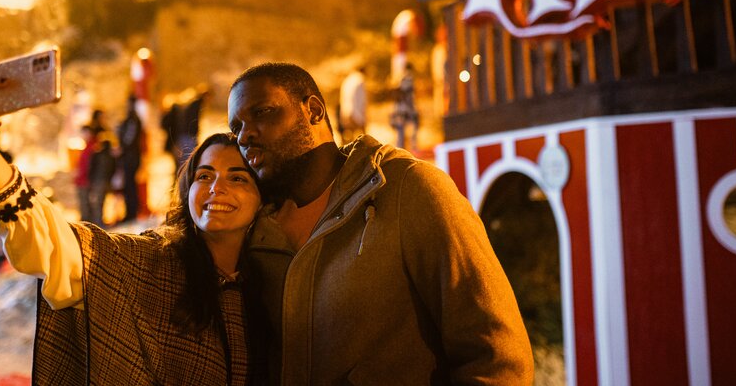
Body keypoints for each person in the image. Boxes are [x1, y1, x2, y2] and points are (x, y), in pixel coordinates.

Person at [0, 55, 268, 385]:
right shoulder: (151, 264)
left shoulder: (273, 284)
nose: (216, 188)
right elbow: (57, 249)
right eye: (204, 176)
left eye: (237, 178)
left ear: (262, 196)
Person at [228, 62, 533, 385]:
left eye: (262, 112)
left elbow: (497, 359)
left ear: (314, 110)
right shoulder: (254, 229)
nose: (244, 136)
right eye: (236, 128)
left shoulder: (409, 189)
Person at [116, 93, 145, 222]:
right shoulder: (131, 119)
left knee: (130, 185)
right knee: (129, 185)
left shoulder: (133, 119)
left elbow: (129, 139)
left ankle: (131, 213)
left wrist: (122, 148)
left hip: (131, 157)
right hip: (130, 156)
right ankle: (130, 212)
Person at [389, 61, 420, 151]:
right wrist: (413, 108)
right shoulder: (408, 78)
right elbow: (408, 95)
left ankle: (399, 150)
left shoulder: (398, 77)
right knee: (413, 127)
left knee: (400, 132)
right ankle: (413, 148)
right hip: (406, 108)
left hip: (398, 108)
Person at [338, 65, 367, 142]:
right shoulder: (360, 80)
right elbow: (362, 100)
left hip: (345, 111)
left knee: (348, 138)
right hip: (355, 113)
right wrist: (363, 117)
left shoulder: (348, 79)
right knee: (364, 139)